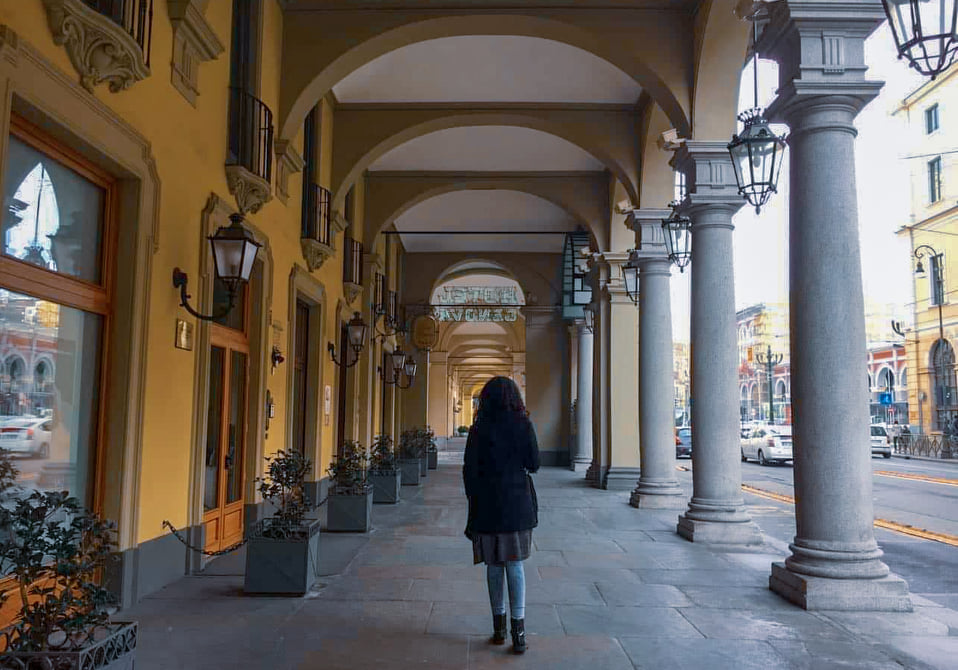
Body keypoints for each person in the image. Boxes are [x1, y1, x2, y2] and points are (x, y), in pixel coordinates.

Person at [463, 376, 540, 655]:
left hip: (487, 504)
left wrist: (475, 498)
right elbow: (535, 464)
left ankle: (498, 628)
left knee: (494, 565)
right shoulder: (523, 425)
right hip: (516, 504)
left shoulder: (478, 429)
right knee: (515, 565)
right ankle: (518, 632)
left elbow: (469, 472)